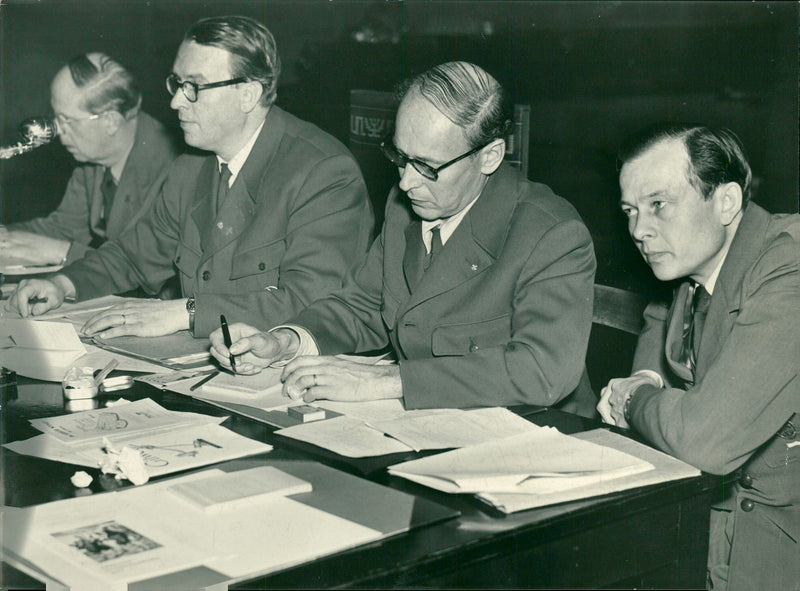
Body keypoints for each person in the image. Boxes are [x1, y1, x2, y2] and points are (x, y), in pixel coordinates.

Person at [210, 61, 597, 414]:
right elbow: (363, 305)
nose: (406, 182)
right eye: (400, 157)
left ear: (491, 156)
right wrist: (286, 342)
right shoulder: (408, 207)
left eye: (427, 167)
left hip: (534, 439)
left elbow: (543, 370)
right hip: (427, 427)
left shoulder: (550, 233)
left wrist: (387, 381)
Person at [10, 15, 373, 339]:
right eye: (176, 83)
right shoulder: (191, 168)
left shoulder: (323, 172)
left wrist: (186, 313)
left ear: (247, 94)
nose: (175, 103)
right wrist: (63, 283)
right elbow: (135, 255)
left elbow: (313, 302)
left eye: (194, 88)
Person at [596, 124, 798, 591]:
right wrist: (646, 372)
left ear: (725, 201)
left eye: (658, 206)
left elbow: (707, 439)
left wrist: (634, 399)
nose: (639, 231)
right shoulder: (700, 262)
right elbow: (658, 312)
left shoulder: (789, 266)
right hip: (719, 536)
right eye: (630, 211)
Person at [0, 52, 178, 267]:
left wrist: (63, 252)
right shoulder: (93, 158)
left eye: (68, 120)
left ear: (111, 121)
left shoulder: (172, 169)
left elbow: (149, 269)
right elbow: (64, 228)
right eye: (56, 117)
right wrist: (5, 236)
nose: (58, 132)